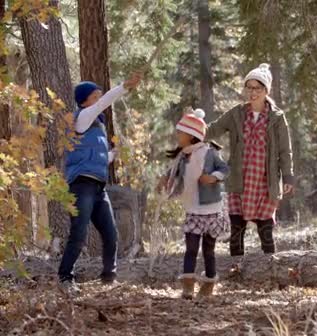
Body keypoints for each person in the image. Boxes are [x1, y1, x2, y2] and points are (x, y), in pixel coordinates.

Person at [59, 72, 142, 291]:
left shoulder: (98, 127)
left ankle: (109, 278)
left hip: (98, 187)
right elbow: (105, 102)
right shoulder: (83, 118)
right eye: (96, 96)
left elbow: (100, 158)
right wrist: (125, 85)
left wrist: (114, 154)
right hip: (81, 185)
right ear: (85, 100)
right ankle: (65, 278)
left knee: (110, 233)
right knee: (79, 233)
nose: (99, 99)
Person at [205, 63, 295, 256]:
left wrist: (288, 176)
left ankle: (270, 267)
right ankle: (236, 268)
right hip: (240, 179)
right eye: (249, 87)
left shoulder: (277, 118)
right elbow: (214, 129)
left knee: (265, 228)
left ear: (266, 90)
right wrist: (193, 132)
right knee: (237, 226)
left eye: (258, 88)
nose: (253, 92)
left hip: (264, 181)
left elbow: (285, 150)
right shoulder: (237, 114)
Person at [159, 109, 229, 299]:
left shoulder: (209, 153)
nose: (177, 135)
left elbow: (224, 169)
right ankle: (188, 285)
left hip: (210, 209)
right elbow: (172, 171)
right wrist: (164, 179)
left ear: (191, 135)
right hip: (192, 209)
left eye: (180, 132)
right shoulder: (183, 155)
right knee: (190, 248)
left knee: (208, 250)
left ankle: (209, 283)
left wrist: (213, 178)